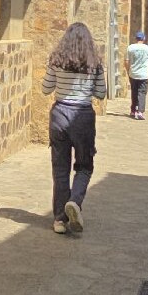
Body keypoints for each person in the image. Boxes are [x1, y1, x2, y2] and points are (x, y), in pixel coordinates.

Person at [41, 22, 106, 234]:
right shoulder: (95, 63)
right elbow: (101, 93)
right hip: (83, 116)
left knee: (60, 168)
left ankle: (59, 219)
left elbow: (46, 88)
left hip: (59, 114)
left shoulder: (56, 60)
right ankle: (75, 201)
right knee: (84, 166)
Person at [125, 30, 148, 120]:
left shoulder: (130, 48)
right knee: (142, 92)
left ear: (136, 38)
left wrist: (128, 70)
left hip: (133, 73)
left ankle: (133, 110)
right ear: (143, 38)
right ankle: (140, 111)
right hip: (143, 74)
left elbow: (126, 61)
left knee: (134, 92)